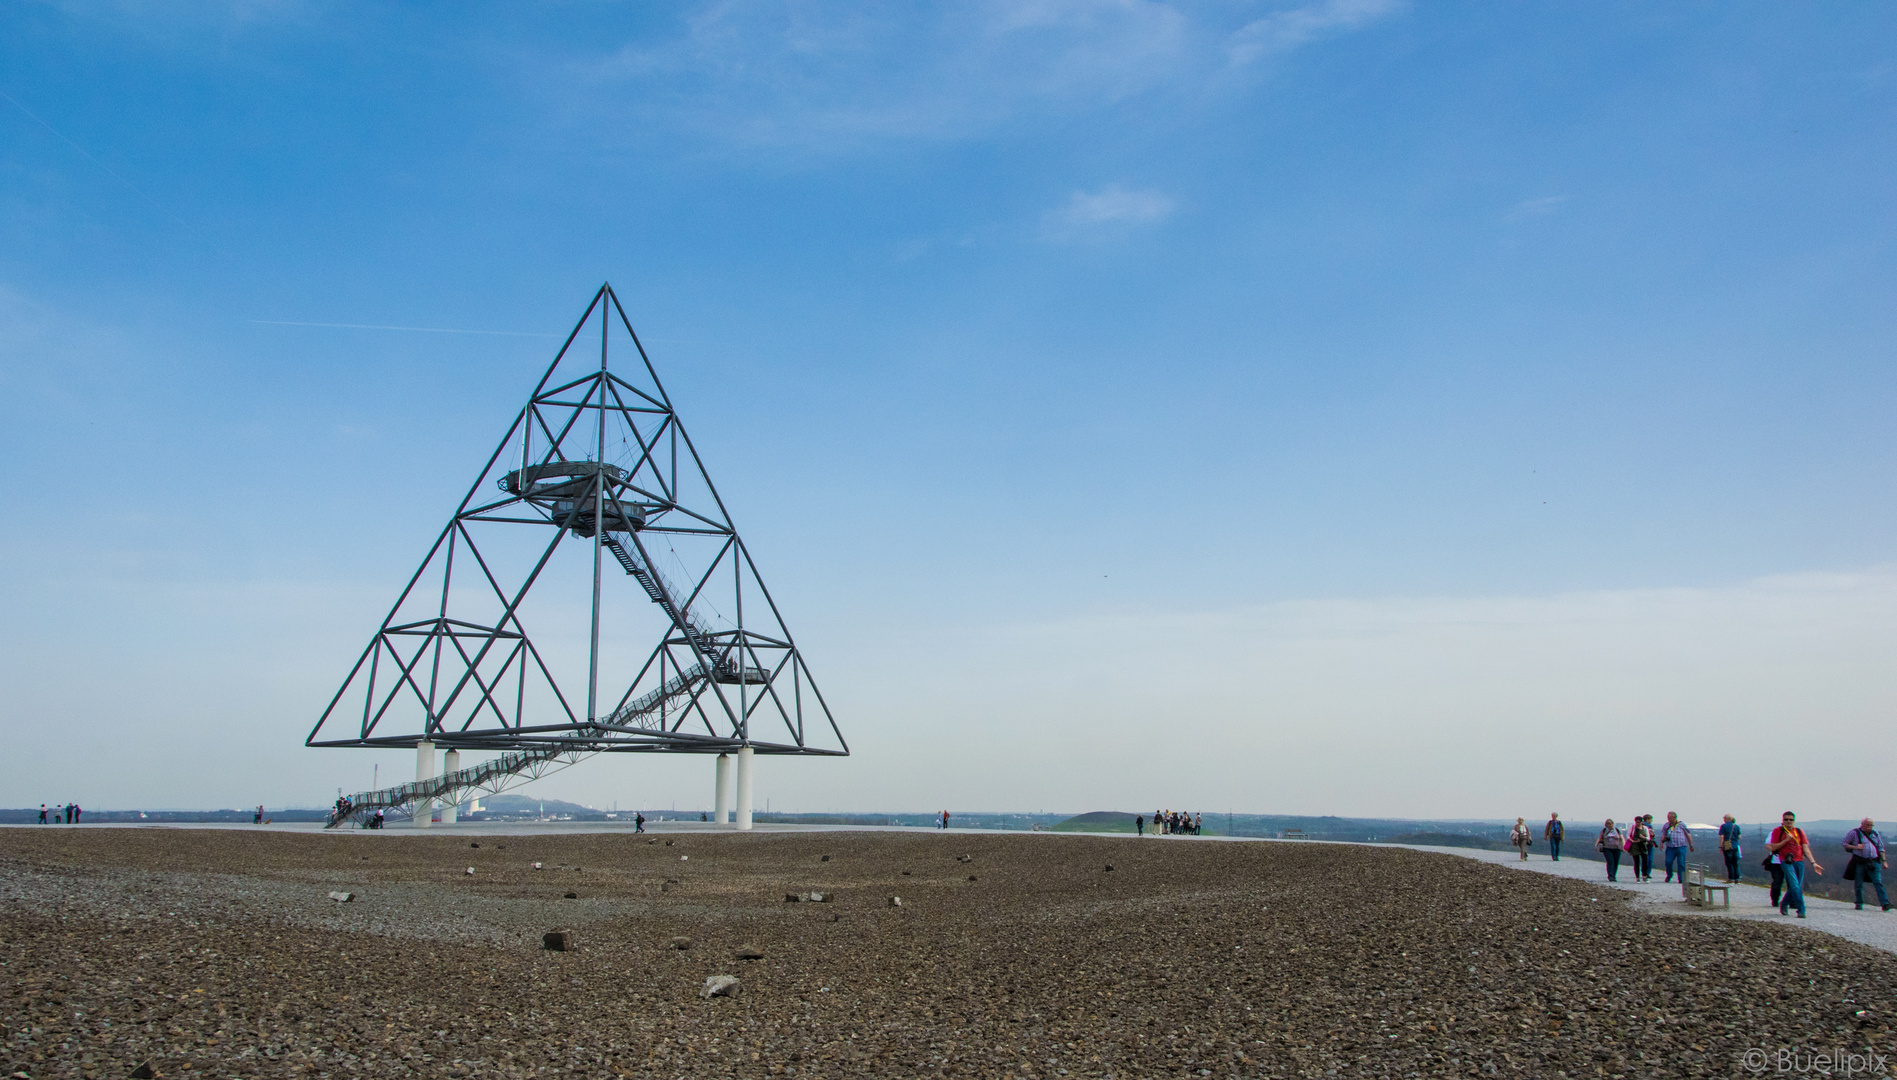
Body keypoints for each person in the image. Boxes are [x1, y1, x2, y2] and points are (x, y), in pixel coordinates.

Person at [1768, 811, 1823, 918]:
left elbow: (1805, 848)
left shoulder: (1799, 831)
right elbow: (1773, 847)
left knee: (1795, 886)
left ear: (1794, 821)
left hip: (1799, 861)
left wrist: (1813, 863)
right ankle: (1801, 910)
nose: (1788, 821)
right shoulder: (1778, 831)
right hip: (1786, 861)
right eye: (1786, 819)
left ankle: (1784, 903)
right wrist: (1786, 840)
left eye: (1791, 820)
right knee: (1795, 885)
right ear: (1782, 821)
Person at [1842, 818, 1892, 912]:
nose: (1869, 827)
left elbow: (1881, 848)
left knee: (1878, 882)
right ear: (1862, 824)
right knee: (1858, 883)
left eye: (1871, 825)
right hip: (1860, 861)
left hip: (1873, 862)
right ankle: (1859, 903)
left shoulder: (1875, 834)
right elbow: (1845, 843)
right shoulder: (1854, 832)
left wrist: (1884, 861)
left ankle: (1885, 903)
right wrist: (1856, 847)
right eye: (1867, 825)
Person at [1659, 812, 1694, 884]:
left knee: (1681, 863)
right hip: (1670, 847)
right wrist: (1661, 843)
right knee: (1668, 862)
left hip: (1681, 847)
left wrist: (1691, 845)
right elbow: (1663, 834)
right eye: (1668, 818)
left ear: (1674, 818)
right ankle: (1669, 875)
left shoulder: (1681, 825)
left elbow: (1688, 834)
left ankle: (1681, 878)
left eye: (1670, 818)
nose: (1668, 819)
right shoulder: (1666, 825)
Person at [1627, 816, 1654, 882]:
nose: (1638, 823)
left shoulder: (1645, 828)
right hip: (1635, 845)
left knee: (1645, 861)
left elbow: (1648, 838)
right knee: (1636, 862)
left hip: (1643, 845)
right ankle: (1637, 877)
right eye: (1637, 822)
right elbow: (1628, 836)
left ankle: (1644, 876)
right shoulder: (1633, 828)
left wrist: (1643, 837)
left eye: (1639, 822)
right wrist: (1632, 840)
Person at [1717, 815, 1742, 883]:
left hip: (1727, 845)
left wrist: (1720, 846)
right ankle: (1737, 878)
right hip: (1735, 846)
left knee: (1729, 862)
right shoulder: (1736, 826)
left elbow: (1721, 837)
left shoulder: (1723, 826)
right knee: (1736, 863)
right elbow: (1739, 837)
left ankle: (1731, 878)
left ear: (1726, 819)